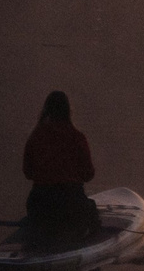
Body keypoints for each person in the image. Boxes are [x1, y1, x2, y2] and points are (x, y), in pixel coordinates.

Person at [22, 90, 98, 233]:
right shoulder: (77, 137)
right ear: (68, 111)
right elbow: (88, 175)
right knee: (91, 211)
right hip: (70, 204)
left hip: (40, 204)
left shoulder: (35, 137)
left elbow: (28, 173)